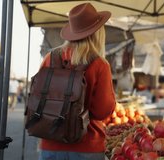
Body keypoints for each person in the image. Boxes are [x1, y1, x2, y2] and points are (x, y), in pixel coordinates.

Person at [38, 3, 116, 160]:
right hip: (87, 145)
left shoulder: (50, 58)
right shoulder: (99, 64)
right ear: (97, 32)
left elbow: (38, 98)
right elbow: (103, 111)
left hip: (50, 143)